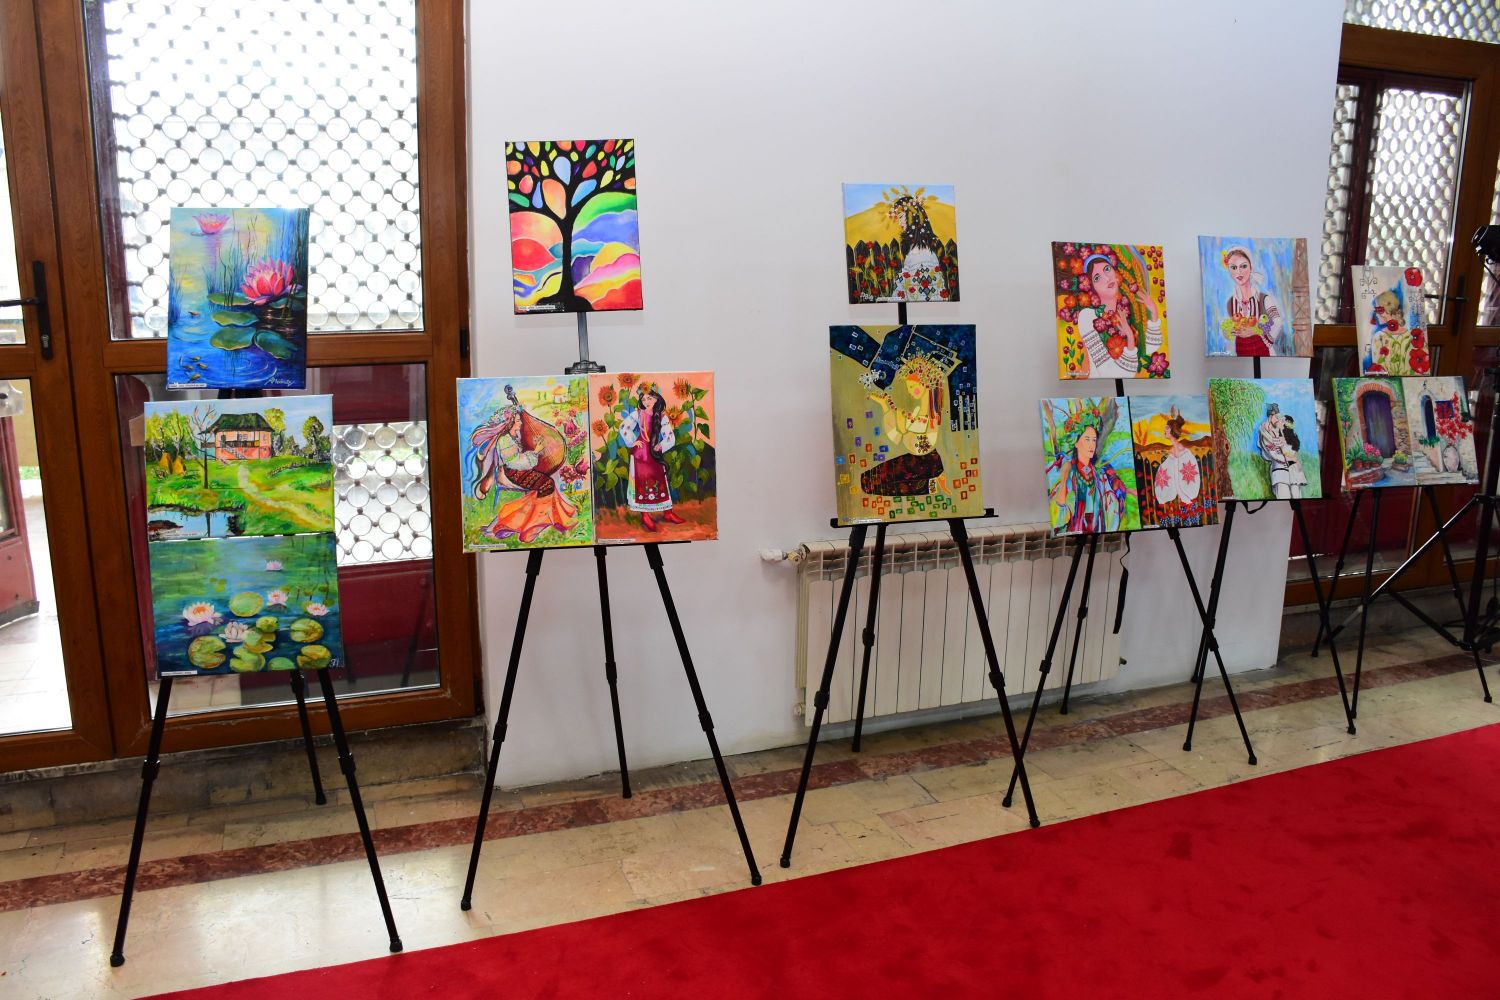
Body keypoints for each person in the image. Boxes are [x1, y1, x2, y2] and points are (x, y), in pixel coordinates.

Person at [862, 355, 947, 497]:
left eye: (912, 386)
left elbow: (920, 439)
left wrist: (903, 426)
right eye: (909, 388)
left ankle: (932, 481)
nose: (910, 391)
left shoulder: (933, 413)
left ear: (925, 384)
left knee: (875, 483)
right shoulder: (917, 411)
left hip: (924, 462)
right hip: (916, 460)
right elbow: (897, 437)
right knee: (868, 479)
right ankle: (932, 482)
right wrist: (885, 406)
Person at [1074, 252, 1163, 378]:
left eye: (1107, 269)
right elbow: (1111, 372)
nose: (1107, 278)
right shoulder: (1087, 317)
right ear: (1091, 287)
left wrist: (1153, 313)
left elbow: (1149, 349)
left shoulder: (1127, 310)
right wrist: (1130, 338)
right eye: (1097, 278)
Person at [618, 383, 684, 532]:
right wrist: (633, 441)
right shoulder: (637, 414)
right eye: (643, 399)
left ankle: (668, 512)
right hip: (641, 454)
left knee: (660, 479)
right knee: (641, 482)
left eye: (649, 398)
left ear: (656, 399)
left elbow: (669, 436)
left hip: (654, 453)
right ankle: (645, 515)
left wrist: (662, 445)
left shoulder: (661, 416)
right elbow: (623, 427)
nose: (646, 402)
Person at [1046, 416, 1130, 533]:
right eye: (1087, 439)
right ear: (1076, 443)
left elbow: (1112, 508)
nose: (1092, 445)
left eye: (1094, 440)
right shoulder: (1070, 473)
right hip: (1075, 531)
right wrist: (1064, 479)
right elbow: (1059, 518)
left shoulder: (1100, 475)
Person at [1221, 246, 1282, 357]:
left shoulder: (1264, 299)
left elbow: (1277, 322)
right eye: (1233, 267)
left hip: (1263, 353)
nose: (1239, 272)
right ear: (1229, 270)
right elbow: (1230, 334)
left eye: (1243, 266)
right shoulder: (1231, 303)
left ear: (1251, 267)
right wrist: (1228, 332)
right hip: (1241, 354)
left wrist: (1255, 330)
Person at [1152, 409, 1203, 525]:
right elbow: (1167, 469)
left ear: (1172, 430)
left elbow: (1188, 470)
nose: (1164, 430)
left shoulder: (1182, 450)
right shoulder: (1173, 450)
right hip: (1180, 498)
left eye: (1167, 428)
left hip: (1186, 496)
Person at [1257, 402, 1302, 499]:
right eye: (1276, 417)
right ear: (1271, 416)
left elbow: (1292, 445)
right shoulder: (1265, 432)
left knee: (1297, 497)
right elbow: (1273, 454)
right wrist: (1291, 459)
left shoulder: (1279, 429)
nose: (1278, 419)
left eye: (1279, 417)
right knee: (1284, 497)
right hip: (1280, 472)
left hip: (1292, 471)